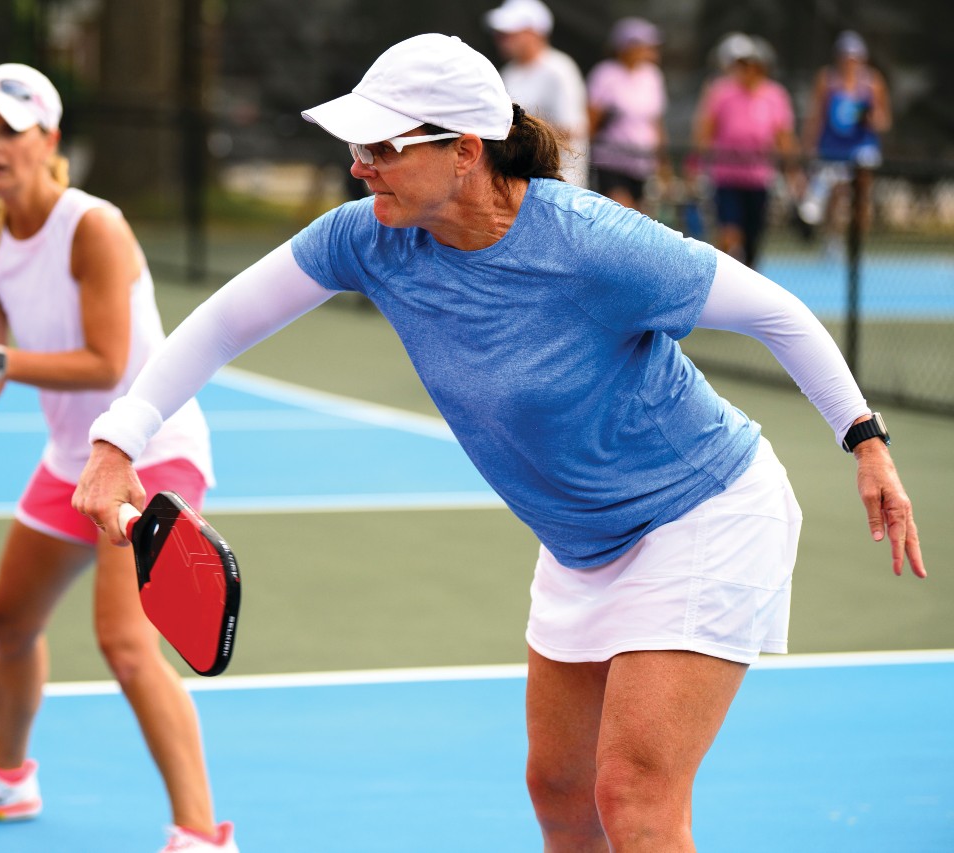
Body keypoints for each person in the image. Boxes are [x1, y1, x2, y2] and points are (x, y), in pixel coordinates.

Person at [71, 34, 925, 850]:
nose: (359, 165)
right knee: (560, 796)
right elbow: (223, 323)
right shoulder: (368, 237)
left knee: (635, 798)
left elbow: (777, 312)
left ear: (466, 151)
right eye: (357, 145)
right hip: (580, 543)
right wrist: (118, 441)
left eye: (382, 146)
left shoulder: (592, 243)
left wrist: (866, 440)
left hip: (702, 514)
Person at [0, 63, 238, 853]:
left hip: (151, 447)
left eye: (10, 131)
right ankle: (7, 779)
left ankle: (203, 835)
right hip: (70, 458)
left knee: (126, 643)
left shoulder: (93, 226)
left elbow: (105, 361)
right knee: (8, 618)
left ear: (48, 139)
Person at [691, 33, 799, 267]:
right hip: (727, 176)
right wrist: (696, 165)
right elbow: (705, 131)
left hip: (758, 178)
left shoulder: (775, 95)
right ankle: (722, 276)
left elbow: (783, 137)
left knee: (753, 239)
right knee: (729, 233)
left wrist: (793, 172)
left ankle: (746, 278)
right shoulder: (721, 92)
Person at [485, 0, 589, 186]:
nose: (502, 39)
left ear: (534, 33)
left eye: (510, 33)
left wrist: (520, 132)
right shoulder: (509, 72)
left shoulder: (560, 70)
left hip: (560, 182)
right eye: (501, 34)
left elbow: (574, 128)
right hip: (522, 181)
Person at [799, 30, 892, 237]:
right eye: (845, 57)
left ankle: (857, 240)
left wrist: (871, 119)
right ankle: (832, 238)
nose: (850, 62)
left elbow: (884, 120)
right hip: (832, 147)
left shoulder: (873, 82)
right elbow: (816, 117)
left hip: (861, 146)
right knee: (834, 194)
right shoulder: (827, 80)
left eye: (854, 58)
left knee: (860, 193)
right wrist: (809, 145)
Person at [587, 17, 671, 213]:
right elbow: (592, 120)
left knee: (641, 216)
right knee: (622, 212)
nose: (648, 50)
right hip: (611, 161)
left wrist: (663, 163)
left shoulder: (652, 75)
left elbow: (656, 122)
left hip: (643, 163)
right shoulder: (605, 74)